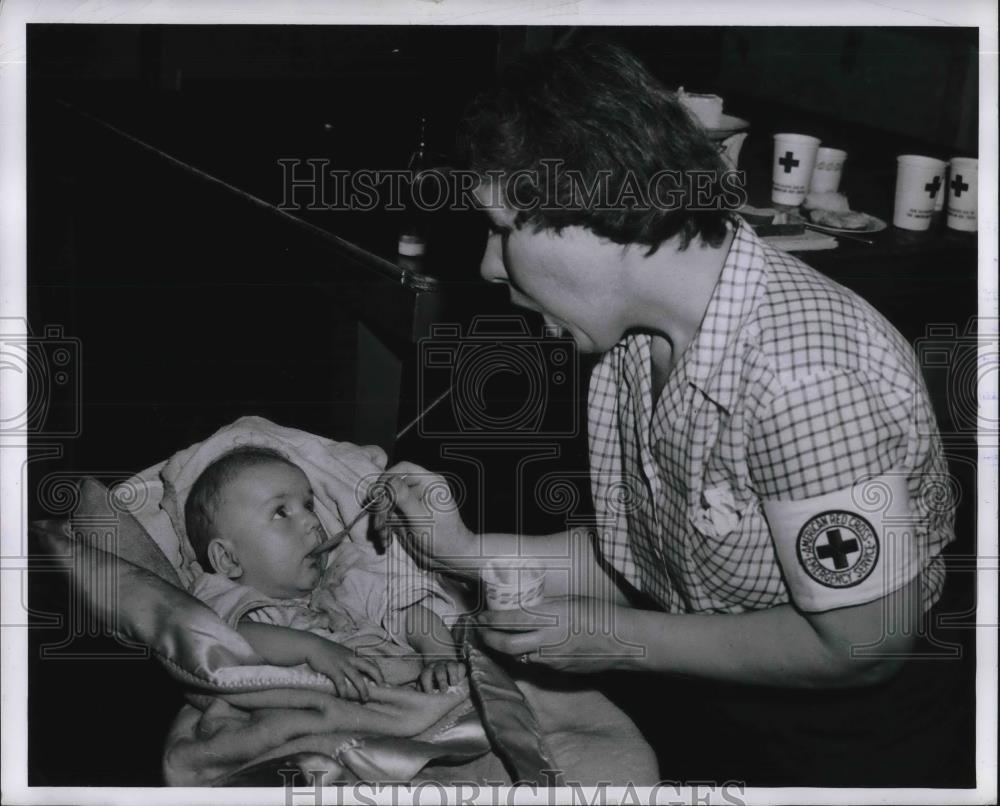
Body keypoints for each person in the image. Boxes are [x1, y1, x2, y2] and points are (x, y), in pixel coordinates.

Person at [376, 42, 964, 786]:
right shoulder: (632, 339)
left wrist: (614, 640)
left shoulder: (811, 377)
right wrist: (465, 550)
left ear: (593, 213)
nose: (491, 265)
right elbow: (660, 562)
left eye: (501, 228)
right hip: (715, 704)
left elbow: (863, 645)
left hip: (843, 744)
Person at [185, 445, 465, 699]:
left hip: (398, 696)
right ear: (228, 558)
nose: (311, 520)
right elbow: (224, 638)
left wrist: (439, 654)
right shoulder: (218, 594)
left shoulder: (341, 575)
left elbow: (406, 610)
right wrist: (314, 649)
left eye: (308, 506)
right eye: (280, 512)